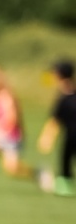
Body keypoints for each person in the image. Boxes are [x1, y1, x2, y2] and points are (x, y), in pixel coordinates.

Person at [0, 67, 43, 194]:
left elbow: (11, 118)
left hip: (11, 136)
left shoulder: (6, 97)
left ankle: (37, 173)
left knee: (11, 169)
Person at [36, 59, 75, 197]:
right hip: (70, 136)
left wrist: (47, 138)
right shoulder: (65, 96)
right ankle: (64, 184)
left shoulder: (64, 98)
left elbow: (54, 121)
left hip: (71, 136)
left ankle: (64, 185)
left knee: (66, 158)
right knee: (65, 159)